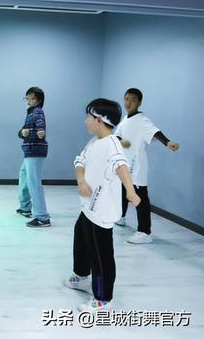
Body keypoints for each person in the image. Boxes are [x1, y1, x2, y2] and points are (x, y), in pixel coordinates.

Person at [64, 98, 141, 312]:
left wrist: (131, 192)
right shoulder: (94, 141)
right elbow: (79, 161)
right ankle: (81, 274)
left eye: (88, 117)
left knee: (100, 253)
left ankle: (103, 297)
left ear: (99, 119)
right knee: (81, 236)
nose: (85, 120)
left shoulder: (112, 143)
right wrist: (81, 181)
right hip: (88, 206)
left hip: (102, 209)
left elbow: (121, 166)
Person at [114, 88, 180, 244]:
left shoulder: (142, 120)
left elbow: (155, 132)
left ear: (139, 102)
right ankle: (121, 217)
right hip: (124, 165)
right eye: (126, 99)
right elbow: (117, 134)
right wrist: (120, 140)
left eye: (133, 100)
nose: (129, 102)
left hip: (136, 167)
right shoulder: (126, 118)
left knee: (140, 198)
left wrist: (167, 142)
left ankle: (144, 232)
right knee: (122, 191)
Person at [15, 87, 50, 227]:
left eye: (32, 98)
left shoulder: (37, 111)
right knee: (24, 177)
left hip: (35, 150)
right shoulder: (30, 113)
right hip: (29, 151)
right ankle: (25, 208)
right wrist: (22, 133)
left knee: (33, 183)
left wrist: (39, 131)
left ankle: (42, 217)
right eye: (27, 98)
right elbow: (22, 132)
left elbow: (40, 126)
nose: (28, 101)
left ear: (39, 100)